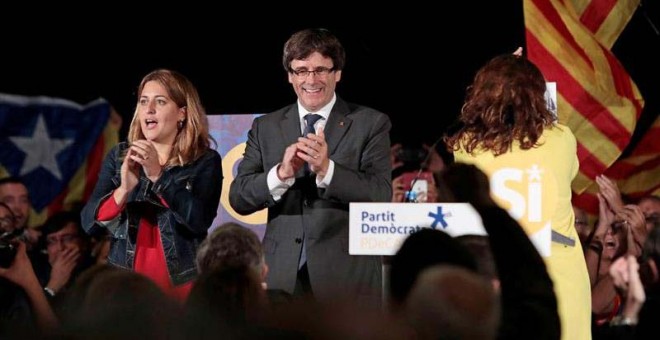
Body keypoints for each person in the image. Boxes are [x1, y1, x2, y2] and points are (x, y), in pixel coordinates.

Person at [229, 28, 391, 305]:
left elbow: (380, 193)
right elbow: (239, 197)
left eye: (320, 70)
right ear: (290, 76)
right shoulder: (266, 127)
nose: (311, 80)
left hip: (346, 278)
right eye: (301, 71)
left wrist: (327, 170)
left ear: (337, 73)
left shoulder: (370, 123)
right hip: (281, 279)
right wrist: (281, 174)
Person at [444, 53, 591, 340]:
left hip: (498, 279)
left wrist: (500, 76)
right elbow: (569, 173)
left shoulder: (465, 146)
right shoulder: (562, 139)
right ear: (537, 94)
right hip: (559, 281)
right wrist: (521, 78)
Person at [81, 69, 223, 300]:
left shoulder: (204, 161)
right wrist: (124, 189)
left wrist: (159, 176)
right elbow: (89, 224)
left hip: (182, 286)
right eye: (143, 101)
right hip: (126, 286)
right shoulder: (119, 157)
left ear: (182, 114)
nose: (149, 109)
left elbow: (198, 220)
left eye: (160, 101)